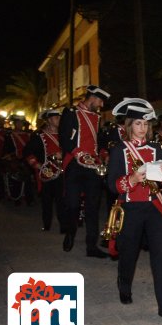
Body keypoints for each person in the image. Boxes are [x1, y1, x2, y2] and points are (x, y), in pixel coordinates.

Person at [107, 98, 162, 323]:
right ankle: (124, 285)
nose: (143, 128)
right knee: (129, 253)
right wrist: (134, 178)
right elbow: (112, 185)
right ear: (129, 126)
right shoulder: (119, 151)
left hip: (154, 206)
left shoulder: (158, 149)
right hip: (130, 208)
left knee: (161, 257)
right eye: (138, 124)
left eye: (146, 124)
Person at [59, 85, 110, 258]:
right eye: (100, 101)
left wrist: (103, 154)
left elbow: (100, 140)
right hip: (74, 164)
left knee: (93, 207)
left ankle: (91, 246)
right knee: (72, 204)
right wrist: (78, 154)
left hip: (93, 166)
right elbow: (64, 138)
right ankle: (70, 232)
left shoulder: (97, 118)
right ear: (93, 98)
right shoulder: (71, 113)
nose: (101, 105)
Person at [24, 109, 64, 232]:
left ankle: (63, 225)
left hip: (63, 172)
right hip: (47, 173)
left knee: (61, 200)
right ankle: (46, 224)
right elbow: (28, 152)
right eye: (56, 118)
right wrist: (38, 165)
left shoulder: (64, 134)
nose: (59, 120)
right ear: (49, 120)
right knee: (46, 201)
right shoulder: (39, 136)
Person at [2, 114, 33, 205]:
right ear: (15, 124)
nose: (19, 124)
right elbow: (6, 148)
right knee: (16, 179)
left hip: (27, 160)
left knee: (29, 180)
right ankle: (16, 198)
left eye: (21, 123)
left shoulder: (28, 135)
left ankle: (29, 199)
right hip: (15, 160)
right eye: (18, 123)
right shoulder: (9, 135)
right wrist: (11, 157)